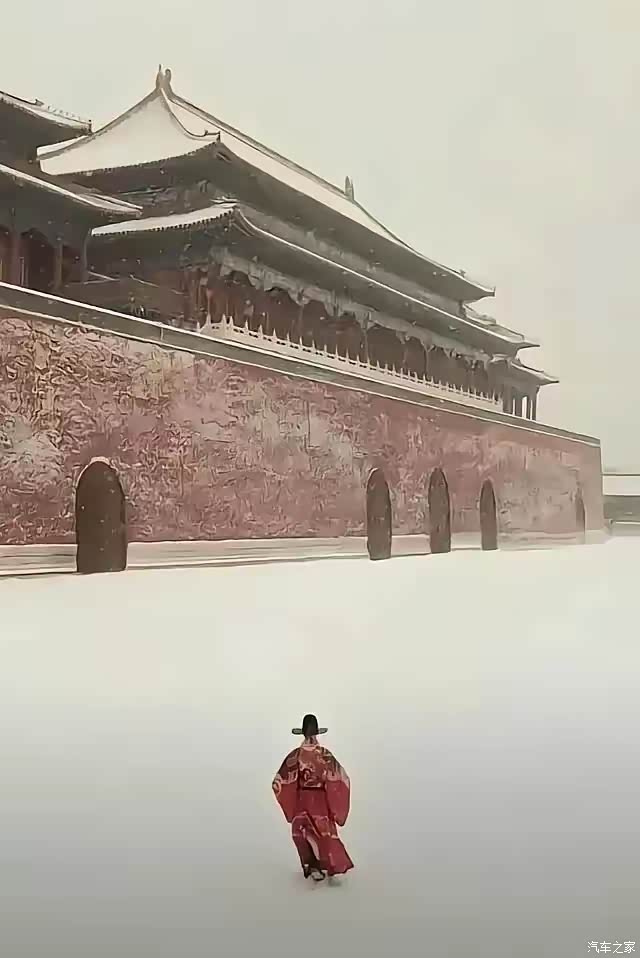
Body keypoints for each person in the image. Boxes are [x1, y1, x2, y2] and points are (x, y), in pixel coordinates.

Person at [272, 714, 354, 882]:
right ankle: (330, 866)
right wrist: (334, 801)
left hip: (302, 800)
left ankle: (312, 866)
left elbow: (279, 781)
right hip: (320, 801)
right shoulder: (325, 755)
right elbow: (341, 779)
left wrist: (291, 798)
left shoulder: (295, 755)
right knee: (324, 834)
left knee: (303, 833)